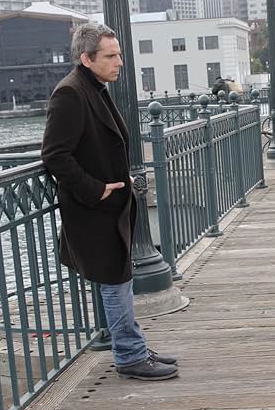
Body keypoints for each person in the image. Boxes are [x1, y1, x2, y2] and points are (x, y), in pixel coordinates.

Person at [41, 23, 179, 381]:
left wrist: (121, 180)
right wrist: (96, 188)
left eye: (119, 54)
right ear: (87, 59)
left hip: (109, 204)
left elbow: (100, 144)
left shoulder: (93, 88)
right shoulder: (69, 94)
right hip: (91, 210)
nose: (120, 62)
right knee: (115, 281)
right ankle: (130, 356)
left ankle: (132, 347)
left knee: (119, 280)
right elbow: (55, 155)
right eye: (111, 56)